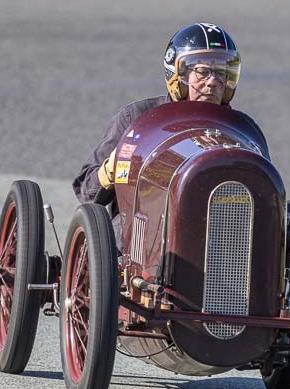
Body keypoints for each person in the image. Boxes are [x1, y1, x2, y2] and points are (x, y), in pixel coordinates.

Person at [72, 22, 268, 246]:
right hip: (139, 242)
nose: (213, 81)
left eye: (221, 72)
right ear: (177, 74)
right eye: (203, 71)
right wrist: (111, 169)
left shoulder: (242, 129)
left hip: (222, 241)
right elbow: (86, 191)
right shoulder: (136, 118)